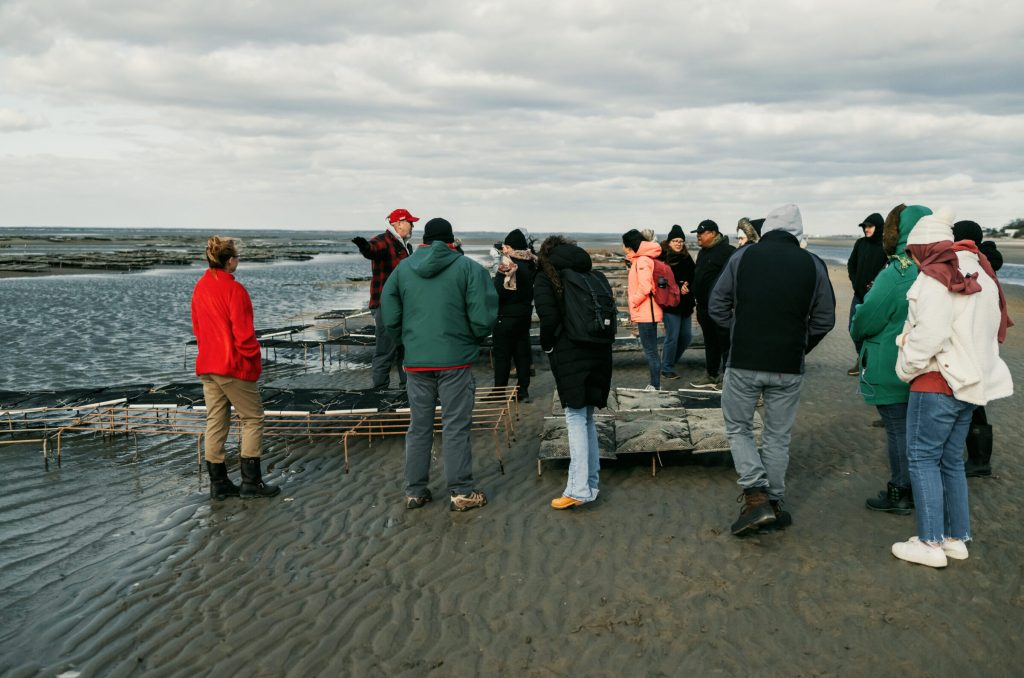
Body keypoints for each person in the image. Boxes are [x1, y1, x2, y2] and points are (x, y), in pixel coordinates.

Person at [891, 207, 1013, 567]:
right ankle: (955, 538)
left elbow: (928, 334)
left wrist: (904, 366)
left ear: (923, 246)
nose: (912, 259)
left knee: (922, 458)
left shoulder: (936, 276)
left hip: (936, 381)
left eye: (913, 252)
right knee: (950, 462)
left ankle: (930, 543)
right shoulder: (982, 272)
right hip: (970, 383)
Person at [709, 204, 835, 536]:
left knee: (738, 427)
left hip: (745, 360)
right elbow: (825, 319)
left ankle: (756, 497)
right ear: (797, 232)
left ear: (767, 229)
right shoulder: (813, 264)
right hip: (788, 365)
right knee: (778, 436)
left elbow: (716, 304)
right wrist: (800, 345)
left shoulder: (744, 257)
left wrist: (737, 333)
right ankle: (775, 503)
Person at [380, 218, 498, 512]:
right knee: (455, 425)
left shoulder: (403, 269)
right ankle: (460, 492)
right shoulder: (468, 268)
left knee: (419, 427)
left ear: (423, 239)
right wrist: (473, 339)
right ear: (451, 240)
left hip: (417, 360)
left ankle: (415, 491)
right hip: (455, 360)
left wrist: (406, 340)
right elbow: (483, 316)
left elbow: (389, 313)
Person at [850, 204, 932, 514]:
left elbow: (866, 319)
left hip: (892, 362)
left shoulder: (899, 270)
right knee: (920, 432)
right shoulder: (936, 268)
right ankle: (921, 490)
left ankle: (901, 491)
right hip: (927, 365)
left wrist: (860, 318)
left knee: (899, 430)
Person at [191, 236, 280, 500]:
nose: (238, 261)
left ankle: (218, 484)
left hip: (208, 364)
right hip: (231, 366)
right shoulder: (235, 290)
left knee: (216, 421)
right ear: (229, 261)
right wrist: (254, 359)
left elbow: (197, 328)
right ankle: (251, 484)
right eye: (237, 257)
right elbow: (244, 336)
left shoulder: (200, 287)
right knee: (253, 418)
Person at [534, 236, 613, 509]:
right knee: (587, 416)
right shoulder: (590, 273)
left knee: (575, 417)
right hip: (600, 350)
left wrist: (548, 347)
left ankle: (577, 489)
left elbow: (548, 319)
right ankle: (589, 485)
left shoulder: (547, 277)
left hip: (570, 352)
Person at [952, 219, 1004, 476]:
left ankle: (979, 461)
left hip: (971, 339)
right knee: (976, 400)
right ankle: (980, 460)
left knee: (969, 400)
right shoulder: (985, 262)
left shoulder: (969, 263)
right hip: (984, 337)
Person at [351, 208, 418, 390]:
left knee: (405, 348)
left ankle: (408, 386)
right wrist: (365, 248)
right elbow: (372, 250)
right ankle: (380, 390)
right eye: (410, 222)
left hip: (402, 306)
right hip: (385, 306)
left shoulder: (405, 245)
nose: (413, 225)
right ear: (398, 223)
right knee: (385, 350)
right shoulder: (383, 240)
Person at [690, 219, 735, 390]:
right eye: (697, 234)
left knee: (725, 342)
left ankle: (727, 378)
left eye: (701, 233)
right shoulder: (702, 252)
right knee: (710, 342)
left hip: (721, 308)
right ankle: (711, 374)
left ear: (713, 233)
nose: (698, 237)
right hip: (702, 307)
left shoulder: (728, 252)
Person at [493, 228, 537, 403]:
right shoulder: (532, 262)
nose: (503, 249)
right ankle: (523, 391)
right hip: (524, 314)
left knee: (503, 354)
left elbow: (498, 291)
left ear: (510, 247)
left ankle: (498, 392)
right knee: (522, 353)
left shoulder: (508, 264)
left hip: (506, 314)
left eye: (505, 246)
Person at [622, 228, 664, 391]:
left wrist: (633, 301)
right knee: (651, 350)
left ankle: (655, 385)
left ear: (629, 246)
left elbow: (645, 286)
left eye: (623, 244)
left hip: (646, 313)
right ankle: (655, 384)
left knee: (651, 352)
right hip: (647, 312)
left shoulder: (642, 261)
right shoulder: (640, 260)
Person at [846, 213, 887, 375]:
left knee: (875, 331)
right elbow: (851, 264)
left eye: (869, 226)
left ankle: (870, 362)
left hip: (876, 297)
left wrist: (877, 285)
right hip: (858, 295)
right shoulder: (860, 243)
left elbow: (888, 268)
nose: (866, 229)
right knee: (853, 328)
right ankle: (862, 358)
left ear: (879, 227)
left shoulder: (885, 246)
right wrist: (855, 282)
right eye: (864, 226)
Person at [659, 225, 695, 380]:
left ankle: (669, 362)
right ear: (669, 241)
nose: (679, 243)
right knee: (672, 337)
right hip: (671, 305)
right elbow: (661, 281)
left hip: (686, 304)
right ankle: (667, 368)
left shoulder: (687, 258)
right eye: (675, 240)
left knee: (686, 336)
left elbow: (694, 276)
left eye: (681, 241)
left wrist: (688, 286)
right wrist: (678, 286)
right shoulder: (663, 258)